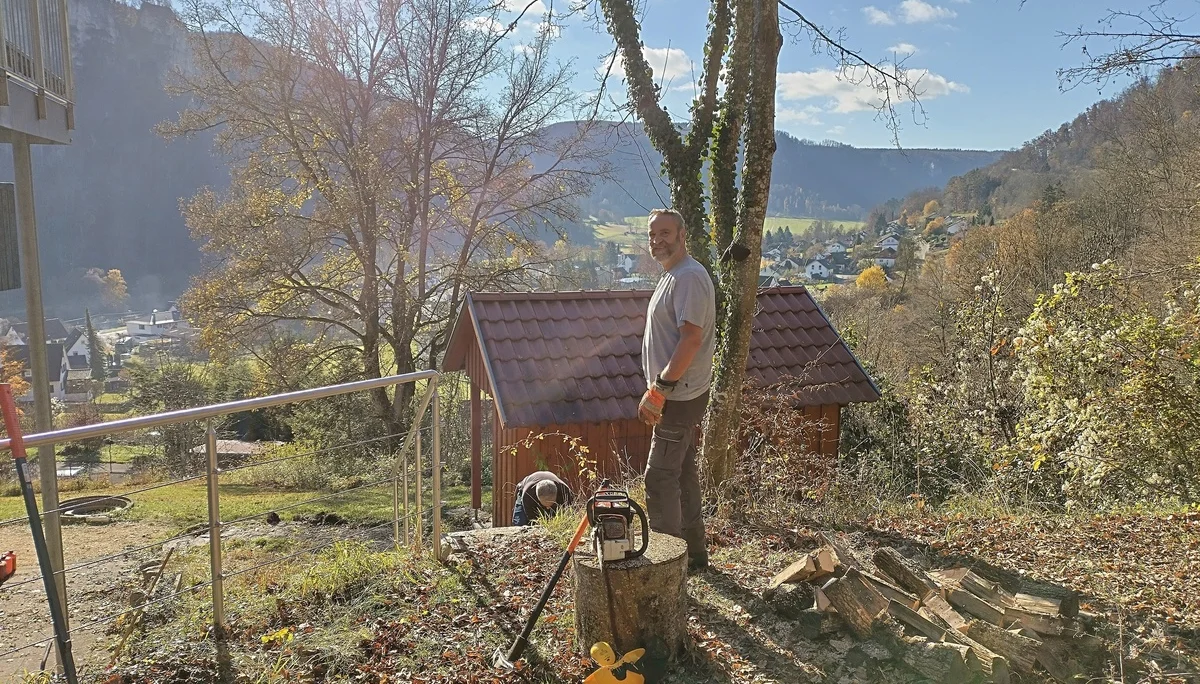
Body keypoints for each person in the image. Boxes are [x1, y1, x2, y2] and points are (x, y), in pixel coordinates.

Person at [637, 208, 716, 572]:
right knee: (682, 472)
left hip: (678, 397)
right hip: (676, 394)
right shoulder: (672, 275)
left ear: (683, 234)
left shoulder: (688, 278)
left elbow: (691, 339)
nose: (658, 240)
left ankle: (666, 565)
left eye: (665, 233)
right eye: (653, 234)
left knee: (659, 477)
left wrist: (660, 390)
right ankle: (694, 556)